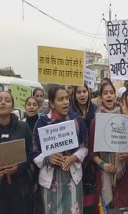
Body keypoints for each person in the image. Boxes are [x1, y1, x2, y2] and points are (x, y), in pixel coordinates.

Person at [32, 85, 88, 214]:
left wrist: (74, 157)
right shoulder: (42, 122)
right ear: (51, 103)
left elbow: (84, 147)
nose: (65, 102)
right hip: (50, 181)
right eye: (60, 99)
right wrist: (47, 158)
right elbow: (34, 152)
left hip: (72, 177)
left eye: (67, 98)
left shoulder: (76, 120)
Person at [89, 82, 128, 211]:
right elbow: (92, 152)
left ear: (115, 96)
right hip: (105, 173)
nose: (109, 96)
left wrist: (127, 153)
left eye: (111, 92)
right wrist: (103, 165)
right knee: (108, 207)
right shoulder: (96, 121)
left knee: (123, 207)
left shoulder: (125, 118)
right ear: (101, 97)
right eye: (105, 93)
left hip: (123, 172)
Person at [0, 91, 33, 214]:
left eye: (7, 100)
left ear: (12, 106)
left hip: (19, 189)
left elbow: (31, 153)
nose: (3, 103)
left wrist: (19, 166)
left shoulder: (23, 127)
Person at [70, 84, 98, 214]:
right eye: (79, 92)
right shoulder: (70, 113)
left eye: (84, 91)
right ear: (74, 95)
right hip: (76, 159)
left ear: (89, 92)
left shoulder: (97, 110)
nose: (82, 95)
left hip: (95, 157)